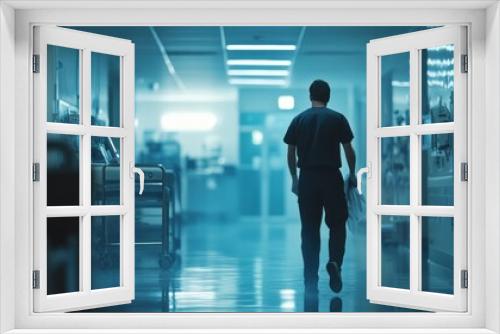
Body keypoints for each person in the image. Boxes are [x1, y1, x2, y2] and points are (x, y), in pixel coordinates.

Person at [283, 79, 356, 295]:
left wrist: (294, 178)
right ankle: (335, 263)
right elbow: (348, 149)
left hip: (307, 179)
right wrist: (352, 173)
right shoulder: (337, 118)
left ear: (310, 95)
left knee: (309, 229)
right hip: (331, 177)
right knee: (337, 224)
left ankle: (310, 278)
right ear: (328, 96)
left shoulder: (299, 119)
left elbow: (291, 152)